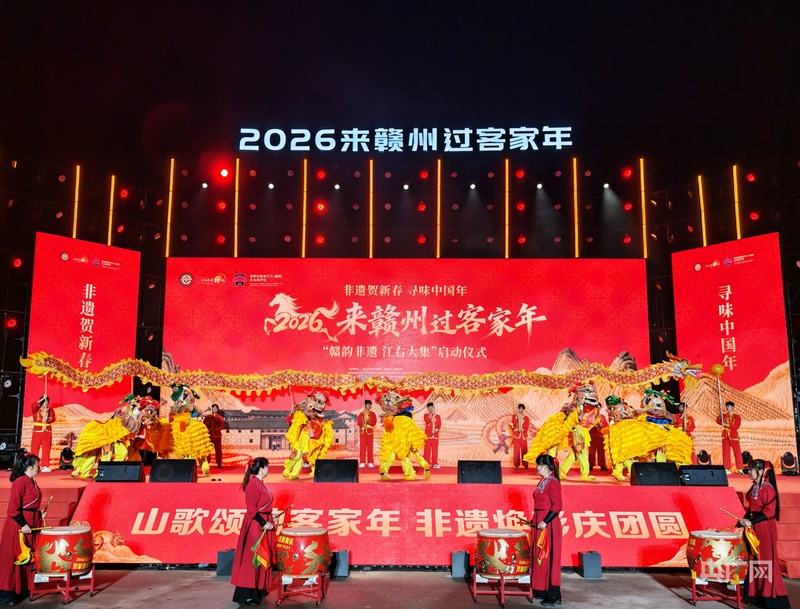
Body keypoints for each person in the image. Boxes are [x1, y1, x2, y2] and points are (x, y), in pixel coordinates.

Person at [738, 459, 791, 609]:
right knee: (755, 559)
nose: (749, 471)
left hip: (764, 528)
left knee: (765, 560)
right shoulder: (755, 487)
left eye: (751, 469)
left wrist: (751, 521)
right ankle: (757, 593)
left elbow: (769, 512)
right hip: (754, 527)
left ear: (761, 472)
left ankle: (769, 595)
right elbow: (752, 508)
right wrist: (744, 519)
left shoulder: (768, 489)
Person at [231, 457, 275, 606]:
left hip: (263, 522)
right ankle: (246, 594)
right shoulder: (253, 484)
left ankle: (259, 588)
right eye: (267, 466)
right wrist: (264, 523)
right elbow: (251, 510)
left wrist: (270, 517)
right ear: (261, 468)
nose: (268, 469)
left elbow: (262, 505)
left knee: (263, 556)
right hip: (256, 525)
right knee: (252, 558)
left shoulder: (260, 483)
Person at [0, 454, 44, 605]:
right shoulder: (20, 482)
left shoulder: (32, 481)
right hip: (18, 525)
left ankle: (22, 588)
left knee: (26, 556)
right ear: (30, 467)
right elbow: (12, 509)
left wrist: (39, 514)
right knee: (14, 557)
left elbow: (31, 504)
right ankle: (6, 592)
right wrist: (24, 524)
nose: (39, 467)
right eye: (37, 465)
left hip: (30, 522)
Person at [531, 454, 563, 606]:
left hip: (548, 524)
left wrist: (544, 521)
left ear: (545, 466)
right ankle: (542, 589)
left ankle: (554, 594)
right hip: (539, 520)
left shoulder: (553, 483)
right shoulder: (543, 481)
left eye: (538, 464)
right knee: (540, 557)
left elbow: (557, 506)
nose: (536, 467)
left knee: (549, 557)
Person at [717, 400, 744, 474]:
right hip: (725, 436)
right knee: (726, 453)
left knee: (737, 452)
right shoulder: (724, 416)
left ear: (732, 407)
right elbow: (719, 421)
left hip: (733, 436)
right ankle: (726, 468)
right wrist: (719, 414)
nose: (727, 408)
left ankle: (740, 469)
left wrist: (726, 425)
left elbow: (736, 426)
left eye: (728, 406)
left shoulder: (737, 417)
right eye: (726, 406)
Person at [30, 395, 55, 472]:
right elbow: (33, 405)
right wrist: (41, 400)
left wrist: (48, 419)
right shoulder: (36, 410)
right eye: (44, 402)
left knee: (46, 449)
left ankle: (45, 465)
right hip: (37, 431)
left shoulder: (50, 410)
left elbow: (53, 418)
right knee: (35, 448)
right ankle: (33, 465)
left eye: (47, 402)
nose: (46, 403)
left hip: (47, 431)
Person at [204, 404, 226, 469]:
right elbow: (204, 425)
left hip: (217, 435)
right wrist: (210, 421)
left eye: (215, 408)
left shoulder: (220, 417)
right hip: (209, 435)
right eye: (213, 408)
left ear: (217, 409)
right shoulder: (207, 417)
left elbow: (222, 426)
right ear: (211, 409)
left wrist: (215, 429)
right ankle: (206, 462)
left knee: (218, 449)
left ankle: (219, 462)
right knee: (207, 449)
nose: (214, 409)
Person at [357, 399, 377, 468]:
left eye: (370, 405)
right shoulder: (361, 414)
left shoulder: (373, 414)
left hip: (370, 433)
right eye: (368, 404)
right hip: (363, 433)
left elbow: (374, 422)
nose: (369, 406)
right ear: (365, 405)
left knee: (370, 448)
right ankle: (362, 462)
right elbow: (358, 423)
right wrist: (363, 423)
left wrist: (368, 421)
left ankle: (370, 462)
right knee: (362, 448)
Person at [511, 404, 530, 469]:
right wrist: (517, 417)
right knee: (516, 450)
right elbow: (514, 424)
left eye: (522, 409)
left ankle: (526, 465)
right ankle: (516, 465)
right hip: (517, 435)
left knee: (524, 450)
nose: (521, 410)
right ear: (517, 409)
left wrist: (523, 430)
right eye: (520, 408)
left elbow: (527, 426)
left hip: (523, 435)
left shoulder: (526, 418)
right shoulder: (514, 417)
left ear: (524, 410)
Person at [423, 402, 441, 468]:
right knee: (427, 450)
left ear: (434, 408)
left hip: (435, 437)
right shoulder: (426, 415)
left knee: (434, 451)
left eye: (432, 408)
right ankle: (426, 463)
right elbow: (427, 421)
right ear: (427, 409)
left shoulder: (438, 416)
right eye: (429, 408)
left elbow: (439, 426)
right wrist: (431, 416)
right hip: (428, 436)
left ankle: (434, 463)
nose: (430, 409)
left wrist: (435, 430)